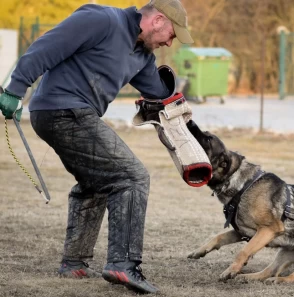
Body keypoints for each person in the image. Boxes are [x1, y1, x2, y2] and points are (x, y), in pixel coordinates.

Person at [0, 0, 193, 294]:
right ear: (157, 21)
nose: (170, 41)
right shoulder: (102, 20)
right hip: (61, 109)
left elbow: (157, 91)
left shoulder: (142, 54)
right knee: (131, 177)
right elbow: (46, 47)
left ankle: (74, 263)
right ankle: (123, 264)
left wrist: (174, 100)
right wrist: (15, 88)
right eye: (171, 33)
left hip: (75, 113)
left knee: (97, 182)